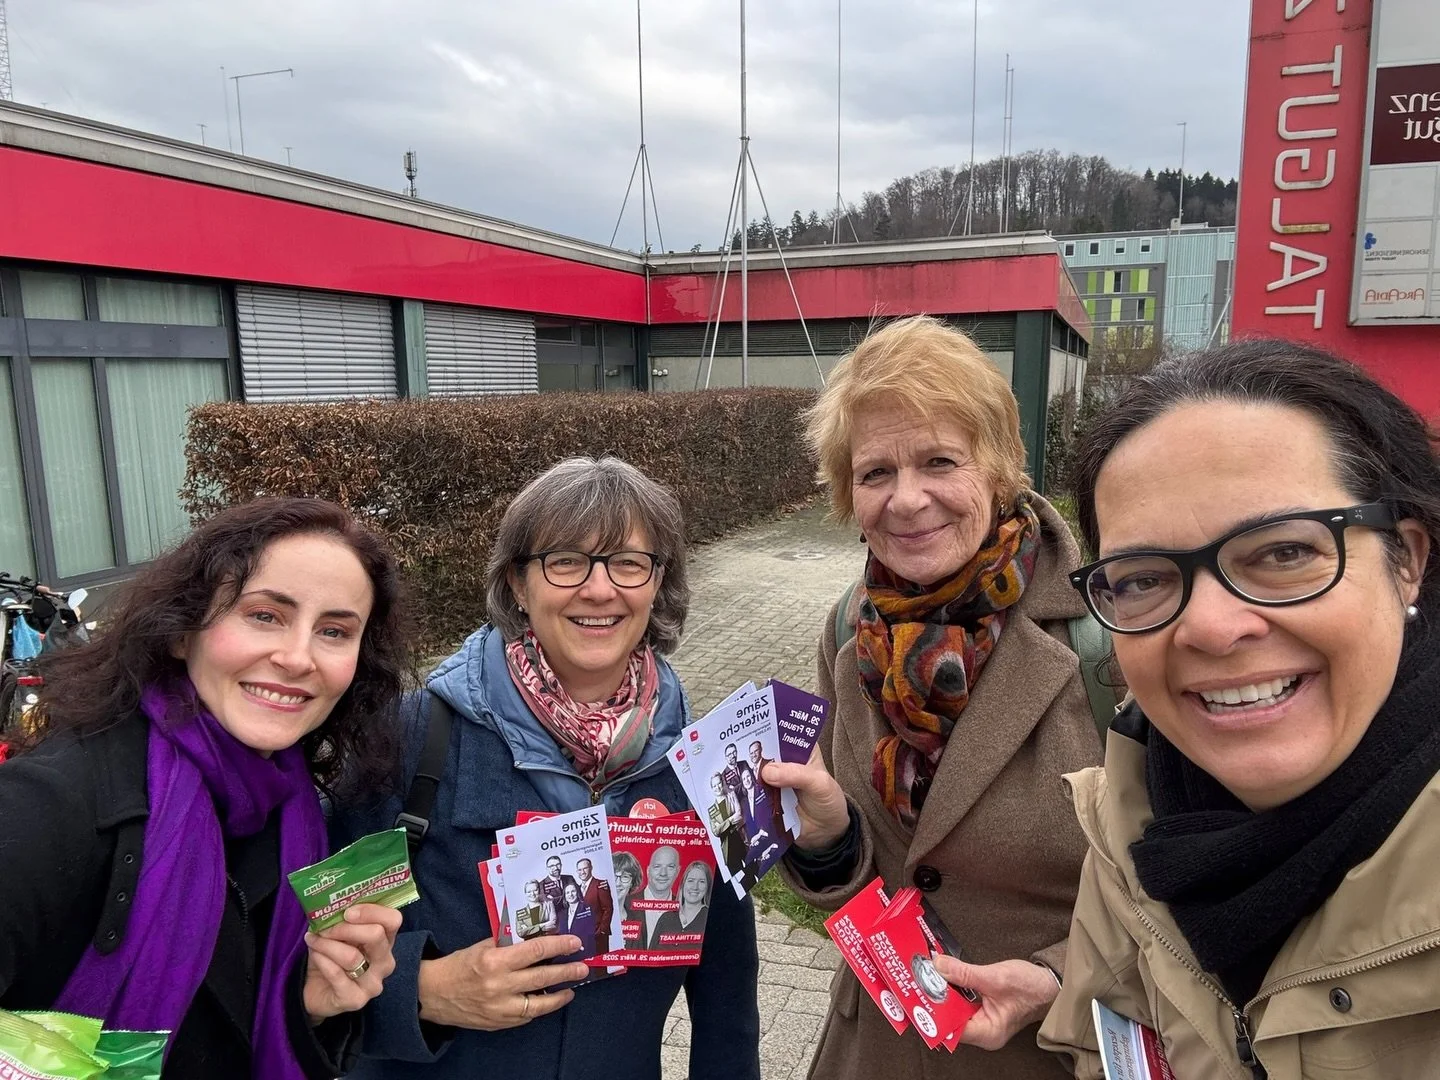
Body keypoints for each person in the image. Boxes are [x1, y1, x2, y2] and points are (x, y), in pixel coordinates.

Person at [1037, 341, 1440, 1078]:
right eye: (1143, 577)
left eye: (1283, 552)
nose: (1214, 628)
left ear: (1407, 560)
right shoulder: (1129, 820)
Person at [331, 456, 760, 1080]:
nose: (599, 589)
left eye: (628, 563)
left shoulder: (699, 766)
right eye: (565, 561)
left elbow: (727, 995)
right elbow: (317, 940)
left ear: (657, 584)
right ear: (515, 585)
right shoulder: (409, 737)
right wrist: (423, 992)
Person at [769, 315, 1104, 1080]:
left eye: (939, 461)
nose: (907, 499)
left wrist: (1058, 976)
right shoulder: (849, 628)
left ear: (999, 469)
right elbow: (872, 874)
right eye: (875, 472)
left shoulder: (1104, 633)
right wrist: (826, 840)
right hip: (877, 1047)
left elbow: (1186, 875)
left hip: (1043, 1052)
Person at [0, 497, 411, 1079]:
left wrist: (307, 1006)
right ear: (179, 632)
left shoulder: (292, 810)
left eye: (335, 631)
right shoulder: (54, 804)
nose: (297, 658)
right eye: (264, 615)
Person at [652, 862, 712, 951]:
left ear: (707, 887)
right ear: (683, 884)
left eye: (702, 882)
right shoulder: (665, 919)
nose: (695, 887)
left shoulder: (710, 919)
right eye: (691, 880)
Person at [706, 772, 748, 887]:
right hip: (727, 847)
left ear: (723, 783)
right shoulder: (712, 810)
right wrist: (729, 821)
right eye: (714, 786)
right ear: (711, 788)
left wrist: (723, 825)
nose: (717, 787)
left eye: (719, 783)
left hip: (740, 838)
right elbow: (716, 831)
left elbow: (739, 815)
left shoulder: (731, 795)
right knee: (740, 881)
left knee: (752, 869)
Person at [639, 844, 682, 949]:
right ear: (648, 871)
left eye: (670, 867)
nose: (663, 873)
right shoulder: (624, 904)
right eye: (657, 866)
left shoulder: (685, 910)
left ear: (678, 871)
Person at [574, 858, 614, 955]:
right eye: (579, 870)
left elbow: (608, 909)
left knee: (600, 968)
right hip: (583, 937)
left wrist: (601, 931)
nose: (582, 872)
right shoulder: (577, 889)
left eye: (585, 868)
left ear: (591, 868)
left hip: (598, 936)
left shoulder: (600, 884)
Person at [612, 852, 644, 945]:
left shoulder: (638, 921)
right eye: (614, 876)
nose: (618, 883)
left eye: (625, 877)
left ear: (632, 882)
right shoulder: (592, 917)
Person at [559, 883, 597, 960]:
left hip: (585, 951)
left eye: (573, 891)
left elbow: (590, 932)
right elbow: (562, 934)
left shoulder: (587, 908)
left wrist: (581, 947)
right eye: (567, 893)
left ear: (578, 893)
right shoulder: (562, 914)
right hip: (569, 952)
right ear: (565, 897)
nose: (570, 895)